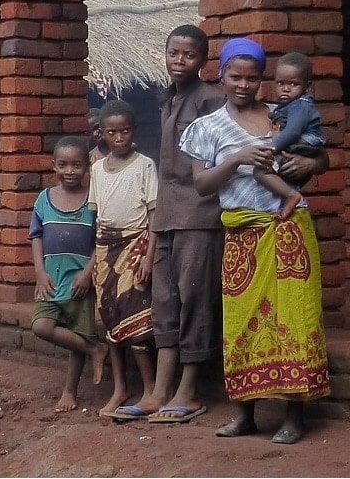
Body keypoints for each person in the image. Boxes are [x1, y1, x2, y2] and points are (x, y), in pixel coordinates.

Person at [180, 37, 330, 444]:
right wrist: (236, 158)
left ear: (264, 79)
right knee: (242, 324)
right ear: (221, 77)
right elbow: (202, 186)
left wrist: (312, 162)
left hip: (289, 228)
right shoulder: (206, 128)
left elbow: (322, 156)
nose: (244, 85)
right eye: (235, 77)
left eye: (253, 78)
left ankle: (294, 417)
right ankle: (244, 414)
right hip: (243, 235)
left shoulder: (281, 115)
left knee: (294, 321)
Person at [137, 24, 226, 424]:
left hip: (201, 214)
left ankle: (188, 391)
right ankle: (158, 390)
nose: (180, 61)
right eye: (174, 53)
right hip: (169, 215)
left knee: (195, 300)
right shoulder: (168, 99)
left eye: (189, 55)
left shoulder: (211, 99)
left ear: (203, 61)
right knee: (165, 302)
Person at [88, 100, 158, 420]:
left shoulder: (144, 165)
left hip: (135, 246)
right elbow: (98, 218)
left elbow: (154, 215)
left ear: (134, 131)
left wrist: (149, 255)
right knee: (111, 319)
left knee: (138, 319)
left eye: (125, 131)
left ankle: (150, 388)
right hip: (106, 250)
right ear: (101, 133)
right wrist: (95, 263)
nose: (119, 138)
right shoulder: (96, 169)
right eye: (112, 132)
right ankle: (120, 387)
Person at [29, 135, 109, 413]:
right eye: (63, 165)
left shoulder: (93, 199)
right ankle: (95, 349)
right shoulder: (44, 199)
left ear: (87, 166)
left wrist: (88, 273)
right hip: (50, 277)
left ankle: (69, 391)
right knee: (41, 325)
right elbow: (36, 236)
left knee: (78, 331)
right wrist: (39, 272)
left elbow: (101, 239)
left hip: (79, 280)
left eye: (76, 165)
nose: (69, 171)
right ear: (53, 166)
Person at [252, 52, 324, 219]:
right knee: (282, 173)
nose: (285, 89)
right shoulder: (288, 105)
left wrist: (274, 148)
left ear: (307, 86)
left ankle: (291, 196)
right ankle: (289, 196)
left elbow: (292, 131)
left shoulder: (300, 105)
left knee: (260, 171)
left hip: (303, 143)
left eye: (293, 84)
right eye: (280, 83)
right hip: (300, 145)